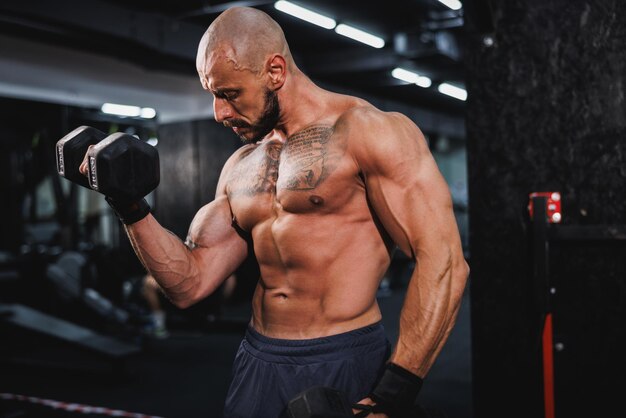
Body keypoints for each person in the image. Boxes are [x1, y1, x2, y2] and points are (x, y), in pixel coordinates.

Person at [82, 6, 469, 417]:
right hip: (258, 360)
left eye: (229, 94)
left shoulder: (368, 131)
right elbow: (189, 284)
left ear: (275, 71)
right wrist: (129, 206)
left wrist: (394, 393)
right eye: (213, 95)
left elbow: (444, 262)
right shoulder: (241, 165)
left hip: (343, 356)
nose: (219, 113)